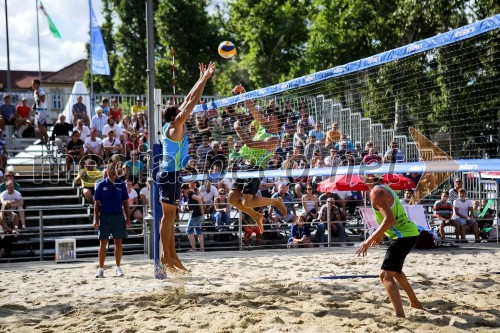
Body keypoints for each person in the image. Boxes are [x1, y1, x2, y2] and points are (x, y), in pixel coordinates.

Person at [157, 62, 215, 271]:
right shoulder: (175, 127)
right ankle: (165, 256)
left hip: (170, 174)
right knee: (168, 217)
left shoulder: (169, 125)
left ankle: (172, 256)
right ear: (175, 116)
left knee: (171, 218)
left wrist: (201, 78)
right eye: (179, 111)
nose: (183, 110)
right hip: (170, 175)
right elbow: (193, 102)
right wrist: (205, 80)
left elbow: (189, 99)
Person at [356, 174, 422, 318]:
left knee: (385, 275)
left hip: (403, 236)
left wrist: (370, 239)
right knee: (396, 272)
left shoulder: (376, 192)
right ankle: (415, 302)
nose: (361, 175)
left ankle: (400, 315)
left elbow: (390, 219)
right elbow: (391, 218)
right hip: (407, 233)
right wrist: (381, 235)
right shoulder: (382, 189)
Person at [228, 84, 287, 233]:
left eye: (271, 116)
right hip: (244, 165)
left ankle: (276, 201)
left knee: (247, 202)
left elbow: (251, 143)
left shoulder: (274, 139)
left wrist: (238, 129)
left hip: (255, 168)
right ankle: (256, 215)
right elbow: (252, 107)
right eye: (268, 115)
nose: (268, 117)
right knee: (231, 200)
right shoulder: (264, 126)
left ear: (277, 122)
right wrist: (243, 92)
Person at [93, 162, 130, 278]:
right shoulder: (101, 184)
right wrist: (96, 219)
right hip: (105, 215)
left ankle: (118, 267)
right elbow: (96, 203)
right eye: (111, 169)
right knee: (103, 242)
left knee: (118, 242)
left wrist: (128, 218)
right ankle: (101, 268)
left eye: (115, 168)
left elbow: (126, 202)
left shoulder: (121, 184)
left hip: (118, 215)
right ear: (107, 171)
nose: (114, 171)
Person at [181, 183, 205, 252]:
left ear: (187, 189)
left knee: (189, 230)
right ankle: (202, 249)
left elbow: (199, 199)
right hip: (198, 214)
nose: (183, 193)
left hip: (195, 214)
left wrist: (202, 209)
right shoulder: (190, 194)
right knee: (198, 231)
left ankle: (194, 248)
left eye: (183, 191)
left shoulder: (190, 193)